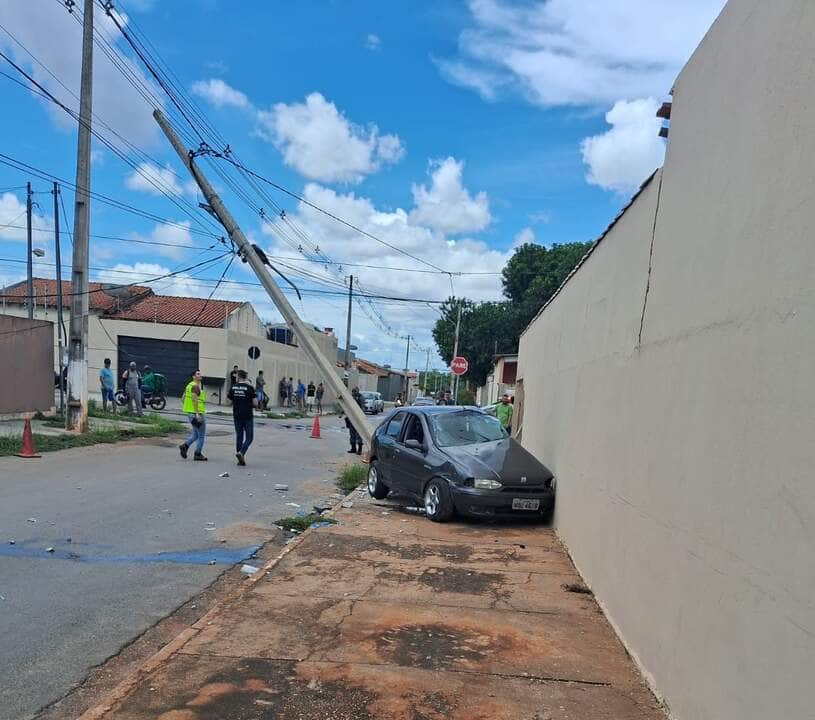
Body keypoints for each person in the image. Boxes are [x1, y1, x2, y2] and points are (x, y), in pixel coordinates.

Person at [228, 369, 257, 466]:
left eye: (236, 376)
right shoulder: (250, 388)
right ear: (245, 377)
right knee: (249, 437)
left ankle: (240, 459)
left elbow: (229, 401)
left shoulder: (233, 387)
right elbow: (255, 403)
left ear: (239, 377)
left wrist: (237, 400)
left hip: (237, 415)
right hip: (247, 415)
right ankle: (241, 453)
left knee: (239, 436)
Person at [179, 370, 207, 461]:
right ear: (193, 376)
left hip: (190, 414)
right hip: (197, 414)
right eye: (198, 374)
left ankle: (185, 446)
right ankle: (197, 454)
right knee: (201, 435)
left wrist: (188, 409)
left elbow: (183, 399)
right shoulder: (195, 387)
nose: (200, 375)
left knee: (195, 434)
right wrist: (196, 413)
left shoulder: (189, 385)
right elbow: (194, 400)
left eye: (200, 373)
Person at [345, 386, 366, 454]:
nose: (353, 393)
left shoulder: (361, 398)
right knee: (352, 434)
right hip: (351, 418)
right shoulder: (351, 398)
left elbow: (362, 408)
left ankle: (359, 450)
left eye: (355, 392)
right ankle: (353, 448)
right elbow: (348, 406)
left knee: (359, 434)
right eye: (353, 392)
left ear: (357, 392)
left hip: (358, 419)